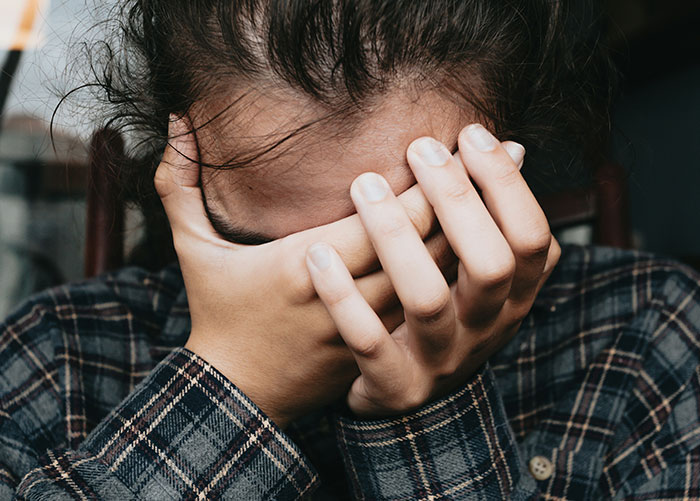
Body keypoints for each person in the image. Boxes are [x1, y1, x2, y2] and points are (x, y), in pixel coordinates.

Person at [2, 0, 700, 499]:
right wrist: (233, 381)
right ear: (180, 170)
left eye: (408, 241)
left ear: (500, 168)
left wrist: (425, 412)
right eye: (260, 245)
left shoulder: (648, 333)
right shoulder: (53, 353)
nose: (331, 302)